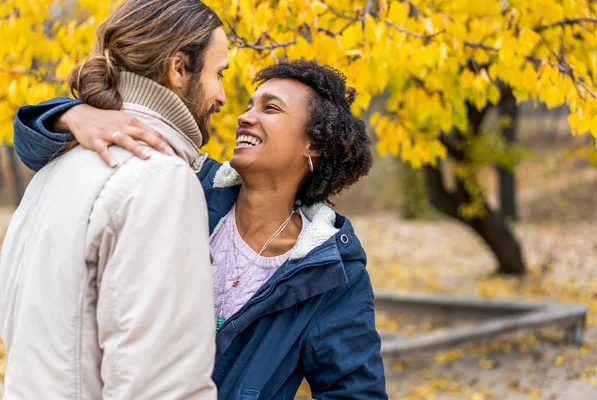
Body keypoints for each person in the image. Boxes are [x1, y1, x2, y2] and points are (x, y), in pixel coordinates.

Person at [13, 60, 388, 398]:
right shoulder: (182, 182)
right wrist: (74, 115)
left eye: (270, 108)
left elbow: (356, 393)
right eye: (249, 105)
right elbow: (32, 140)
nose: (245, 117)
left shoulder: (332, 270)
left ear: (314, 143)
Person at [0, 0, 229, 398]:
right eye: (218, 74)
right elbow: (163, 385)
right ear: (179, 68)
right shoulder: (159, 179)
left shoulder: (55, 168)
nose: (223, 96)